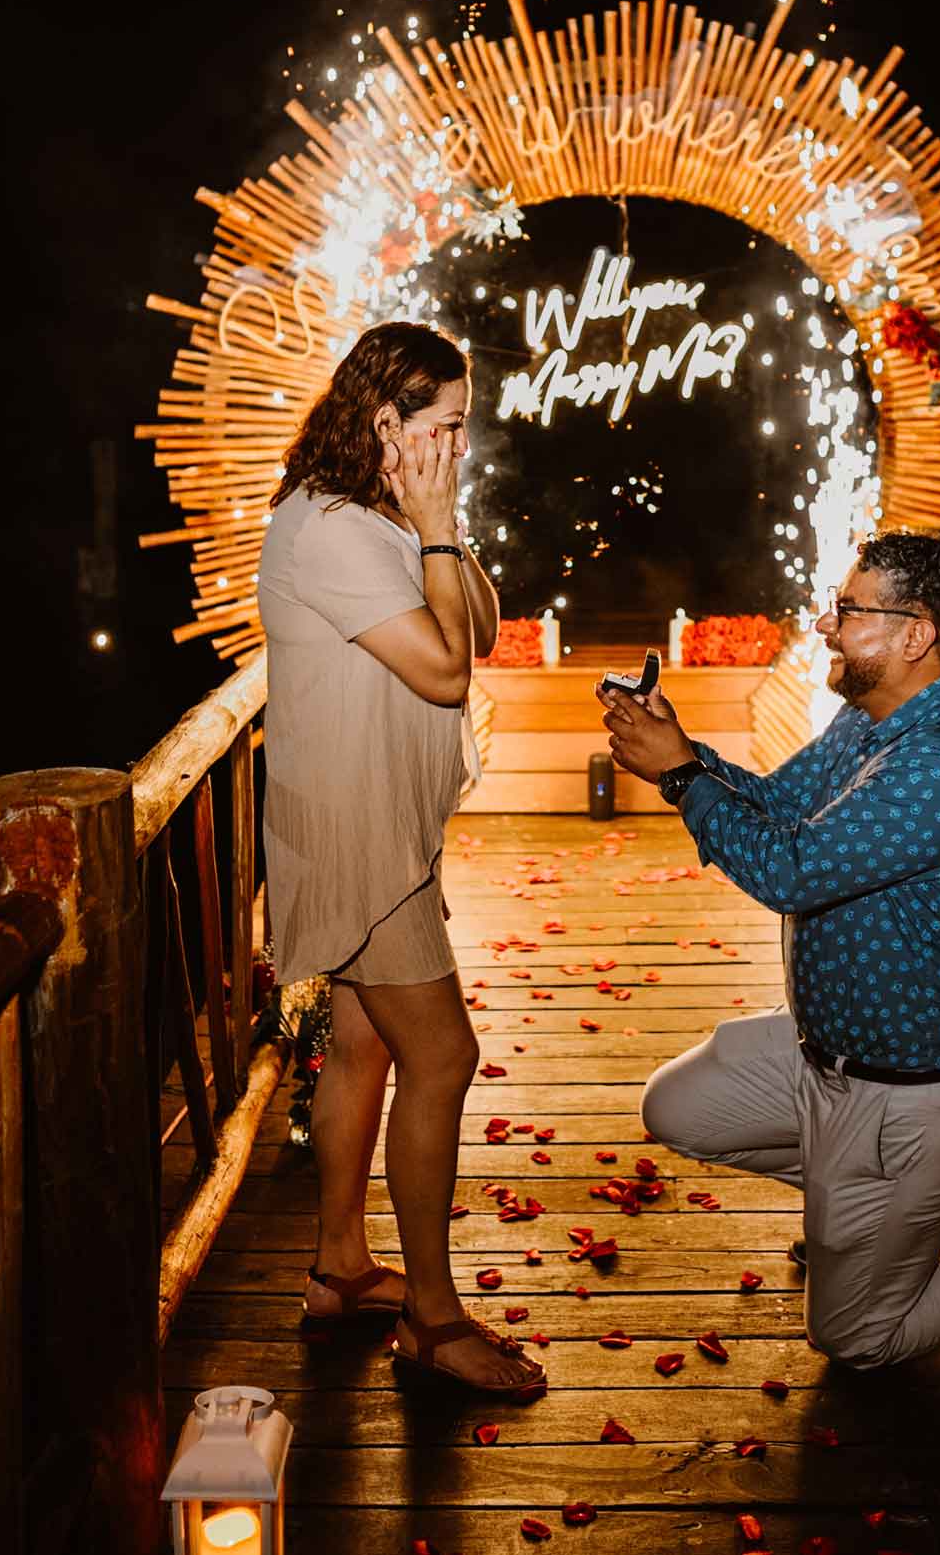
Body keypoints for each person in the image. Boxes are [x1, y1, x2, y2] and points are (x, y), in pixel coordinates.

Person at [599, 532, 940, 1368]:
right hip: (819, 1061)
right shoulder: (872, 717)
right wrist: (683, 751)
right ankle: (860, 1227)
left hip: (911, 1100)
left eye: (848, 610)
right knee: (673, 1108)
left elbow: (792, 870)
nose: (825, 625)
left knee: (855, 1337)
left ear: (913, 635)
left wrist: (679, 778)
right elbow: (779, 805)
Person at [258, 321, 544, 1395]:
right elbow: (440, 671)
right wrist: (432, 521)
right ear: (387, 423)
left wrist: (439, 519)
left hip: (375, 822)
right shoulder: (330, 527)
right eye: (450, 427)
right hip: (358, 836)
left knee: (367, 1048)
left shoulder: (382, 515)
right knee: (445, 1055)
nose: (462, 445)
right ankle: (431, 1316)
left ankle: (338, 1266)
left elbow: (484, 621)